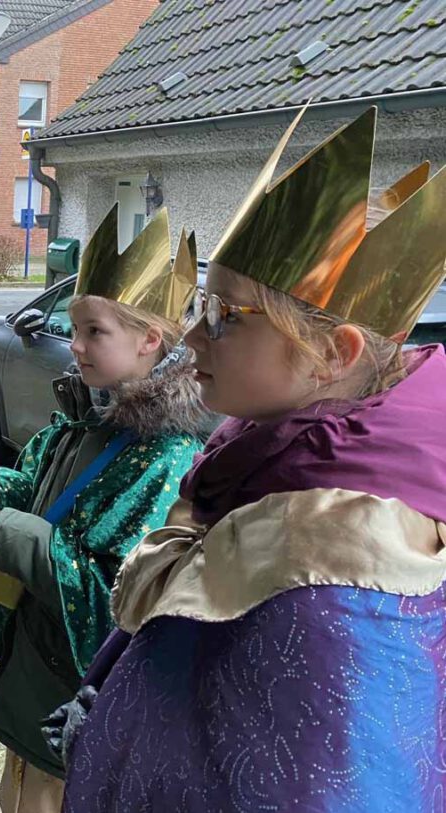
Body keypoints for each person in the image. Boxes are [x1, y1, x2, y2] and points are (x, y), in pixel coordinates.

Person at [60, 107, 446, 812]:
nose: (192, 339)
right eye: (201, 305)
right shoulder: (265, 461)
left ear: (333, 354)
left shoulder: (346, 577)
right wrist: (111, 702)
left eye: (223, 316)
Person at [0, 207, 215, 813]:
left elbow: (116, 599)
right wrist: (4, 491)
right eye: (74, 328)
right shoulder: (88, 418)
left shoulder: (164, 457)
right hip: (38, 672)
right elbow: (40, 484)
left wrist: (8, 533)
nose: (73, 345)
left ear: (149, 340)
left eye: (93, 331)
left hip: (73, 704)